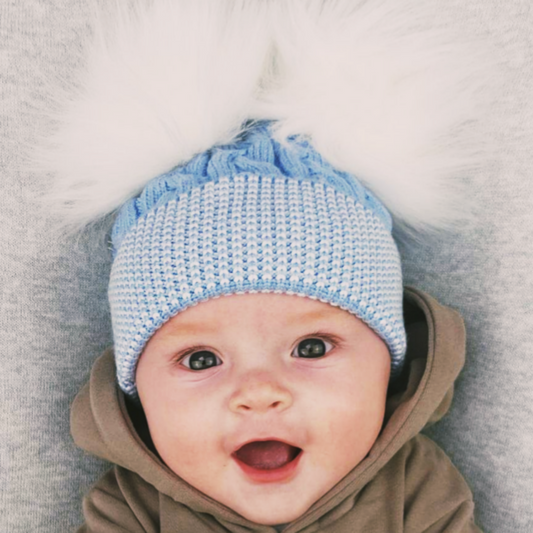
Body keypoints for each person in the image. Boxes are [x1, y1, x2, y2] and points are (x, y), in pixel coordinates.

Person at [34, 1, 495, 531]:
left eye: (313, 348)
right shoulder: (130, 508)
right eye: (201, 360)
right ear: (136, 391)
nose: (258, 392)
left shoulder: (420, 492)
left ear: (387, 370)